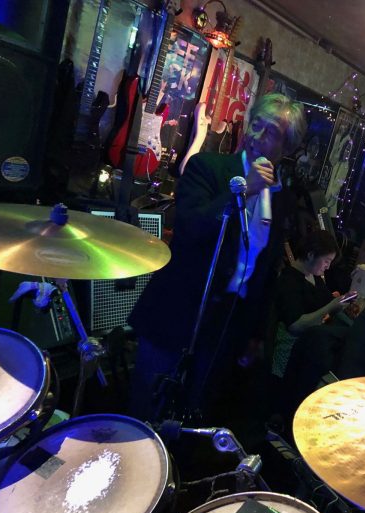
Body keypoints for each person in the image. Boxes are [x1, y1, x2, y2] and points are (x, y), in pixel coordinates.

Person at [127, 92, 307, 422]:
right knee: (145, 411)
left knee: (191, 415)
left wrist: (255, 335)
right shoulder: (207, 167)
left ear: (287, 148)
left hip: (224, 325)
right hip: (177, 312)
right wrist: (243, 190)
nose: (257, 135)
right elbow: (191, 227)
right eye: (256, 124)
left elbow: (266, 271)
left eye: (271, 132)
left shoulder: (281, 199)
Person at [271, 230, 349, 378]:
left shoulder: (313, 276)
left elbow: (327, 300)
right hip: (290, 356)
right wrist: (331, 306)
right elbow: (295, 325)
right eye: (326, 261)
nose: (328, 267)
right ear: (311, 255)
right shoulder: (289, 281)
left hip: (309, 347)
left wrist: (341, 301)